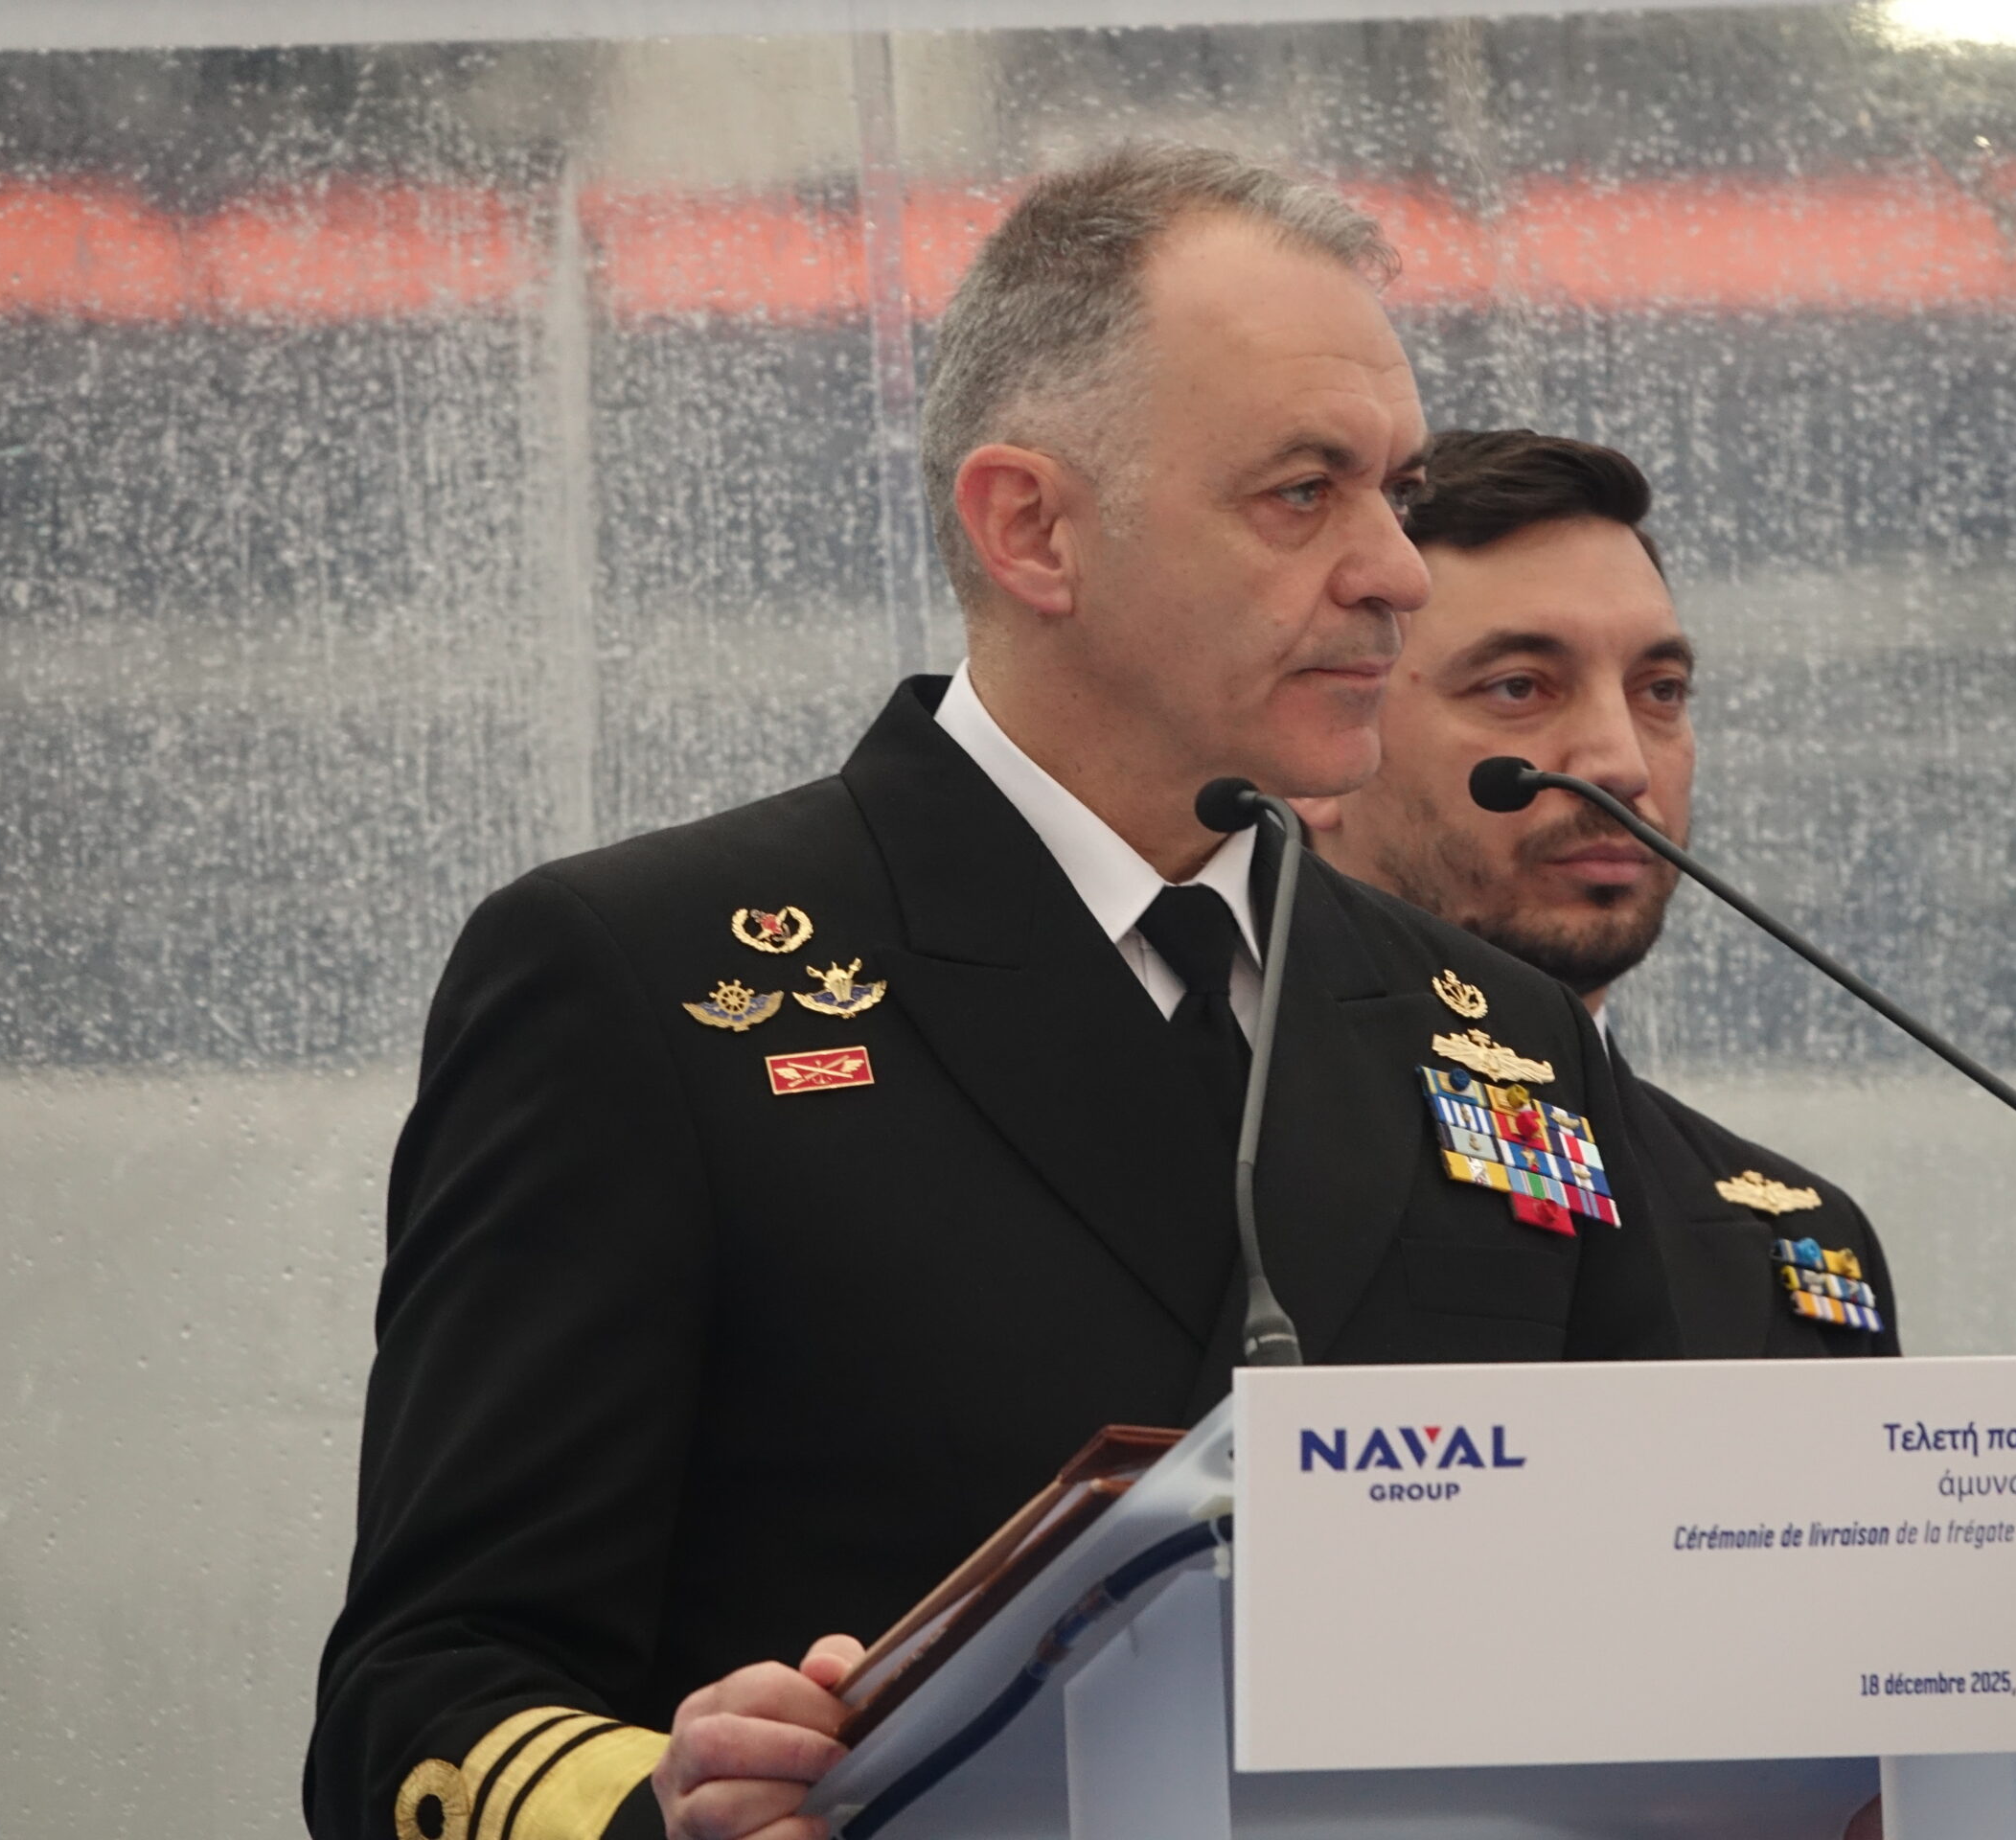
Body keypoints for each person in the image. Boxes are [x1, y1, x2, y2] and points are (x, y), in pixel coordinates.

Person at [307, 154, 1676, 1840]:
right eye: (1304, 493)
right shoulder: (649, 981)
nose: (1396, 567)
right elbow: (422, 1698)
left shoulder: (1501, 1034)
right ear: (1032, 527)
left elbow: (1646, 1595)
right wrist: (662, 1801)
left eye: (1394, 491)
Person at [1296, 428, 1897, 1362]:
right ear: (1323, 753)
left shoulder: (1799, 1243)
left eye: (1661, 691)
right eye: (1519, 688)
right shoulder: (1231, 1155)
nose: (1620, 764)